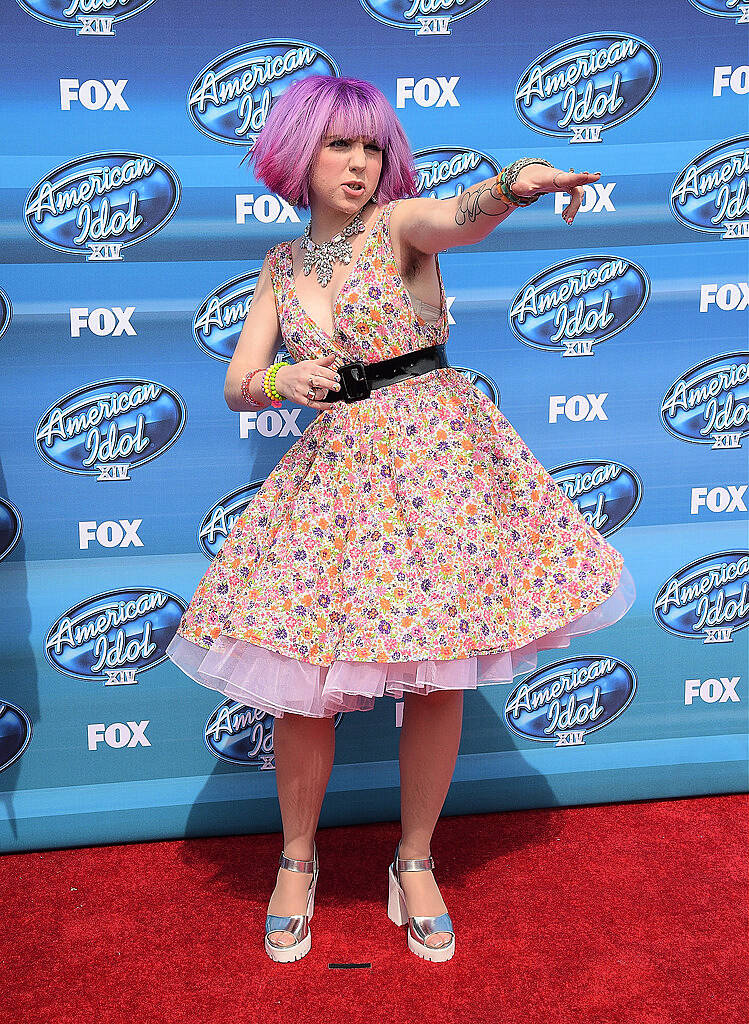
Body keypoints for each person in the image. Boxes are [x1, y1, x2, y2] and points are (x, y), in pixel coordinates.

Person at [165, 75, 636, 965]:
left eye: (371, 147)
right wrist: (279, 384)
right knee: (304, 679)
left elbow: (459, 214)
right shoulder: (281, 265)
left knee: (439, 676)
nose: (358, 163)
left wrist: (514, 184)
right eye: (338, 145)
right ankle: (297, 862)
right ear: (294, 154)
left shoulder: (399, 225)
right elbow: (236, 383)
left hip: (435, 467)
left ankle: (414, 860)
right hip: (337, 476)